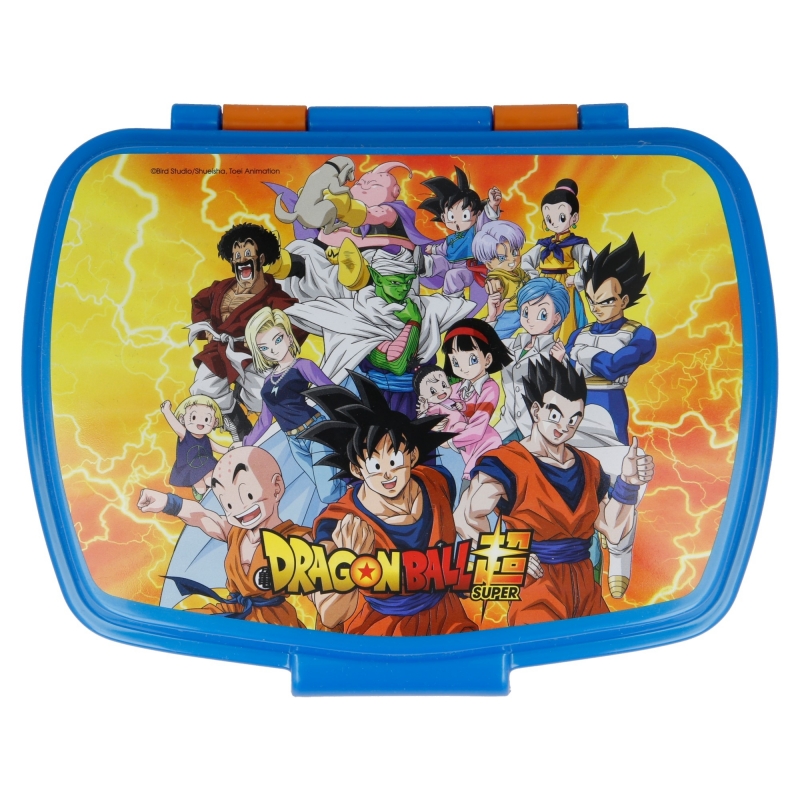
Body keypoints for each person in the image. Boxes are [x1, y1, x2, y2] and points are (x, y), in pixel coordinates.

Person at [455, 357, 654, 625]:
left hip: (586, 591)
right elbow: (464, 518)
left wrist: (628, 483)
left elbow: (613, 529)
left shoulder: (589, 466)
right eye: (555, 415)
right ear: (536, 410)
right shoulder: (506, 463)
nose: (564, 427)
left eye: (574, 419)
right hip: (536, 589)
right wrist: (503, 555)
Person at [299, 373, 478, 636]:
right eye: (374, 464)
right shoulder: (339, 522)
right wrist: (351, 559)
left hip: (448, 618)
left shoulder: (437, 481)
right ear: (357, 469)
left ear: (412, 455)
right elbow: (330, 613)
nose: (387, 474)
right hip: (382, 630)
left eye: (394, 460)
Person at [565, 233, 657, 597]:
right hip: (573, 410)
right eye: (591, 300)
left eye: (604, 301)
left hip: (608, 410)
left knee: (624, 476)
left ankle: (620, 549)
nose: (596, 308)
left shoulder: (640, 335)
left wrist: (582, 355)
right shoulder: (579, 333)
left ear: (625, 300)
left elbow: (615, 365)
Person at [285, 247, 473, 419]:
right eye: (395, 282)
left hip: (429, 398)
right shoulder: (361, 317)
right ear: (376, 276)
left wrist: (456, 289)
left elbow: (454, 308)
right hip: (384, 401)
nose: (403, 288)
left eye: (408, 281)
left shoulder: (422, 306)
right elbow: (397, 364)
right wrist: (413, 322)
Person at [137, 447, 307, 626]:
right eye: (229, 505)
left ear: (277, 487)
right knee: (180, 623)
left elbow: (321, 575)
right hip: (233, 610)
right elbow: (203, 516)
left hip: (273, 623)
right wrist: (167, 502)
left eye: (248, 495)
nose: (239, 509)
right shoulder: (236, 532)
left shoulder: (295, 539)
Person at [188, 223, 307, 442]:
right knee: (203, 390)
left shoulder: (276, 297)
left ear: (260, 258)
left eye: (247, 253)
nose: (241, 259)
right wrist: (207, 327)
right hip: (219, 352)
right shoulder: (220, 288)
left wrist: (269, 345)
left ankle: (242, 396)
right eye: (236, 255)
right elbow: (199, 302)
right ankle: (238, 424)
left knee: (264, 400)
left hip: (254, 358)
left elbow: (296, 324)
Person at [241, 306, 344, 504]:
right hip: (294, 441)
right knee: (329, 486)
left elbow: (331, 391)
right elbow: (264, 421)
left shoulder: (302, 366)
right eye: (264, 347)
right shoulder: (267, 382)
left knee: (327, 493)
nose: (273, 349)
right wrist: (245, 444)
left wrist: (343, 421)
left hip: (316, 432)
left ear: (289, 338)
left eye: (277, 339)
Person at [487, 278, 571, 443]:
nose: (531, 320)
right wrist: (492, 316)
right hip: (507, 426)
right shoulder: (513, 345)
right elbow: (482, 349)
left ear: (556, 319)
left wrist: (556, 365)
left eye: (542, 314)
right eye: (526, 312)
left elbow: (564, 398)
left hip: (539, 431)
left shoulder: (556, 353)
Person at [435, 319, 511, 489]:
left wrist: (450, 441)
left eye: (472, 360)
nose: (463, 368)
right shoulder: (455, 388)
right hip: (462, 450)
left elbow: (478, 428)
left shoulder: (489, 388)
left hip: (485, 446)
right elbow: (439, 407)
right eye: (456, 362)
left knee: (471, 488)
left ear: (488, 359)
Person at [521, 179, 596, 342]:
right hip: (542, 286)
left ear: (574, 218)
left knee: (563, 322)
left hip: (564, 286)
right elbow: (525, 260)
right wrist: (534, 278)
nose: (554, 222)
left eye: (561, 217)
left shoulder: (576, 244)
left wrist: (577, 279)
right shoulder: (544, 244)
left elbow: (593, 262)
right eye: (549, 218)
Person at [420, 166, 502, 311]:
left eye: (464, 215)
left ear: (477, 214)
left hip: (467, 269)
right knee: (438, 260)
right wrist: (433, 249)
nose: (457, 221)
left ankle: (452, 303)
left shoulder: (475, 231)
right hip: (449, 263)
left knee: (453, 276)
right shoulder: (451, 238)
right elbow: (442, 249)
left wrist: (493, 205)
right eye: (451, 216)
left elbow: (487, 220)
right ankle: (421, 265)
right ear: (444, 217)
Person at [160, 395, 227, 500]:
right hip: (189, 467)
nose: (200, 423)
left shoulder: (206, 439)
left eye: (206, 419)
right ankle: (201, 494)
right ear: (182, 419)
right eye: (194, 417)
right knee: (201, 490)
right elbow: (174, 424)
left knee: (211, 480)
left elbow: (219, 448)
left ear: (215, 422)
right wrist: (166, 411)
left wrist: (231, 449)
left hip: (206, 464)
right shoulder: (184, 434)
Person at [473, 220, 531, 338]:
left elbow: (527, 280)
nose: (512, 259)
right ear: (489, 265)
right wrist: (494, 285)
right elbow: (493, 281)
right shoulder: (497, 276)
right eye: (502, 258)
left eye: (515, 252)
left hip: (526, 309)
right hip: (510, 313)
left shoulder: (518, 271)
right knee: (497, 337)